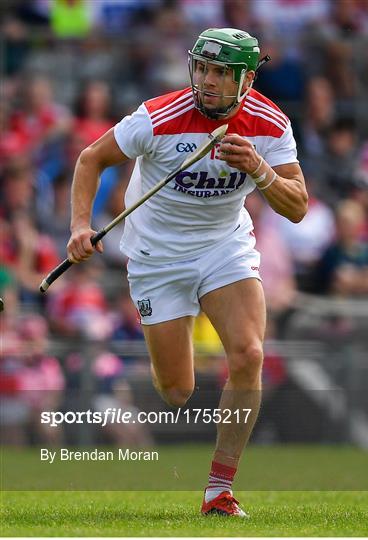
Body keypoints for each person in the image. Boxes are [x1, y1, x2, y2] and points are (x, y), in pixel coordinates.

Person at [66, 28, 308, 516]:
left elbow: (298, 206)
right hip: (158, 258)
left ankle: (218, 490)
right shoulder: (157, 117)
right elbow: (91, 159)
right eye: (202, 68)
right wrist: (78, 226)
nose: (207, 81)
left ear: (246, 78)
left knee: (249, 353)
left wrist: (259, 169)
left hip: (225, 249)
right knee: (176, 389)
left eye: (221, 72)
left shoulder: (269, 123)